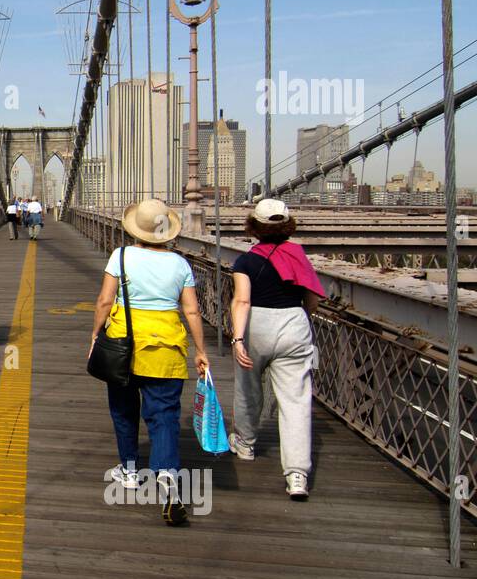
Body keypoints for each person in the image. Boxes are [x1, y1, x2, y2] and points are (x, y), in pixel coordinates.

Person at [89, 198, 210, 526]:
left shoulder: (121, 256)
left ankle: (128, 470)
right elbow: (192, 311)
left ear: (136, 230)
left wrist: (94, 336)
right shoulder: (180, 265)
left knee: (124, 410)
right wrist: (201, 350)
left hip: (123, 347)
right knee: (165, 417)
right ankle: (168, 479)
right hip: (167, 350)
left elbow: (105, 299)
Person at [228, 198, 325, 499]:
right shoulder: (298, 256)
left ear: (254, 227)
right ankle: (297, 475)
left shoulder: (245, 262)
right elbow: (312, 299)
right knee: (295, 401)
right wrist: (301, 318)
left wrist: (238, 338)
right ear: (287, 227)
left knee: (248, 387)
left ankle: (245, 443)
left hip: (257, 324)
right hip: (293, 323)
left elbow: (242, 300)